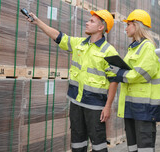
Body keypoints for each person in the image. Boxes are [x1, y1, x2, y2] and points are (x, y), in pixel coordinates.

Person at [25, 9, 119, 152]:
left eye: (91, 21)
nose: (87, 23)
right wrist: (37, 21)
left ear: (101, 28)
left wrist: (107, 106)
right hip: (76, 102)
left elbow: (114, 80)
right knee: (77, 142)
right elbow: (58, 36)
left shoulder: (109, 51)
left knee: (98, 144)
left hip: (95, 106)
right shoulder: (79, 44)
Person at [107, 9, 160, 152]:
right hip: (131, 107)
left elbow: (142, 74)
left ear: (137, 25)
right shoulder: (133, 48)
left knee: (145, 148)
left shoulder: (148, 47)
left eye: (128, 24)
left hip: (145, 109)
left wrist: (119, 74)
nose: (125, 28)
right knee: (133, 148)